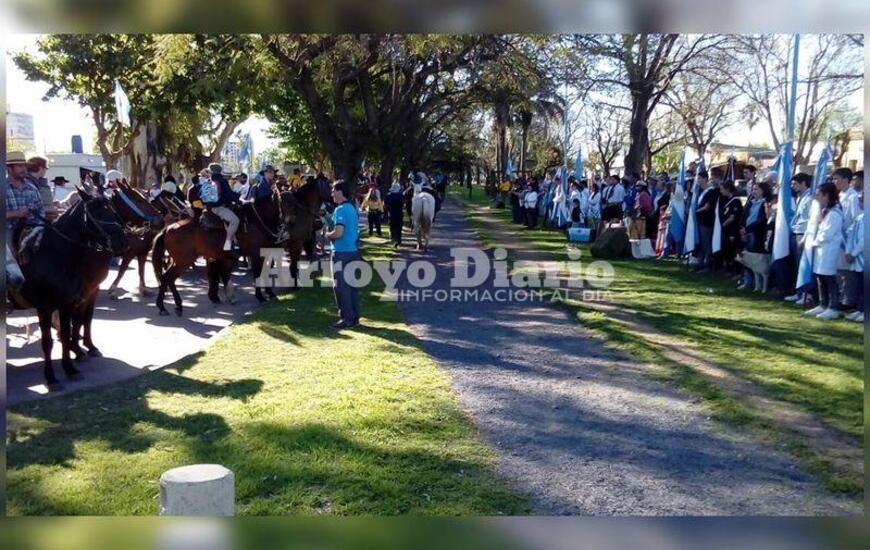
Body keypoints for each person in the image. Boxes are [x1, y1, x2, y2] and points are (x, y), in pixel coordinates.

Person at [803, 182, 844, 320]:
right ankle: (823, 303)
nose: (817, 197)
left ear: (827, 195)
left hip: (829, 250)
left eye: (819, 195)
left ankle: (833, 307)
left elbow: (827, 234)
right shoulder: (825, 211)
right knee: (820, 278)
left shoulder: (835, 213)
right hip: (820, 251)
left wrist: (814, 242)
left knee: (829, 279)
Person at [326, 180, 361, 329]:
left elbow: (338, 232)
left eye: (334, 190)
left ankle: (346, 319)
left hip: (341, 253)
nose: (332, 194)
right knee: (352, 286)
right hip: (353, 252)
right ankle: (354, 317)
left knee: (341, 286)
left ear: (340, 192)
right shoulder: (352, 208)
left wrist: (328, 235)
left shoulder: (340, 210)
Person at [6, 151, 46, 262]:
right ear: (9, 169)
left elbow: (41, 212)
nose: (24, 169)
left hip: (32, 228)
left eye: (24, 165)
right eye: (19, 166)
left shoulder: (32, 188)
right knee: (9, 254)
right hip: (9, 229)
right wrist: (16, 213)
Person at [784, 172, 814, 303]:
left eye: (795, 183)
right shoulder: (799, 197)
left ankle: (807, 294)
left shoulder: (809, 198)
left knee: (803, 264)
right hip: (795, 232)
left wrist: (805, 237)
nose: (792, 186)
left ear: (804, 183)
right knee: (797, 264)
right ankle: (799, 291)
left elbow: (810, 220)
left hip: (803, 234)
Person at [200, 163, 240, 251]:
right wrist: (239, 198)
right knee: (235, 221)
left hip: (209, 208)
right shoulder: (222, 181)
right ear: (220, 171)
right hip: (219, 208)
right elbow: (229, 195)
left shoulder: (207, 182)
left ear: (210, 172)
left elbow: (201, 198)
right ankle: (228, 242)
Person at [842, 187, 864, 322]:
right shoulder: (860, 217)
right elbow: (851, 235)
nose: (859, 201)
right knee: (860, 285)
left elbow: (864, 240)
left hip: (862, 256)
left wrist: (854, 253)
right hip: (855, 257)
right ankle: (860, 309)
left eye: (862, 199)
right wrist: (848, 252)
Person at [693, 169, 720, 272]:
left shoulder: (711, 191)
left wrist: (696, 211)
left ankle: (707, 264)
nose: (698, 180)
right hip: (699, 220)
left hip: (706, 221)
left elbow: (707, 206)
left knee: (706, 243)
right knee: (700, 243)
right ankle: (700, 263)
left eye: (700, 178)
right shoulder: (700, 191)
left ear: (705, 179)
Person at [718, 179, 744, 273]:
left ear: (728, 189)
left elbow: (732, 217)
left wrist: (722, 225)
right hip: (726, 229)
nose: (721, 191)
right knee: (727, 249)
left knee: (733, 249)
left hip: (733, 229)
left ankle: (735, 270)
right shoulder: (726, 200)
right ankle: (728, 267)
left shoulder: (735, 201)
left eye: (722, 189)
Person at [25, 155, 58, 221]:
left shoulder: (37, 183)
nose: (46, 170)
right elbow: (28, 208)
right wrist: (49, 208)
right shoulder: (28, 184)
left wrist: (51, 203)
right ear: (40, 168)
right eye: (46, 168)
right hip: (33, 224)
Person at [385, 180, 405, 247]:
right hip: (399, 213)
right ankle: (399, 240)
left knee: (392, 226)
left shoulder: (388, 195)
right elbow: (403, 204)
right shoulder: (401, 196)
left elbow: (386, 205)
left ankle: (393, 238)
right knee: (399, 227)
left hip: (391, 213)